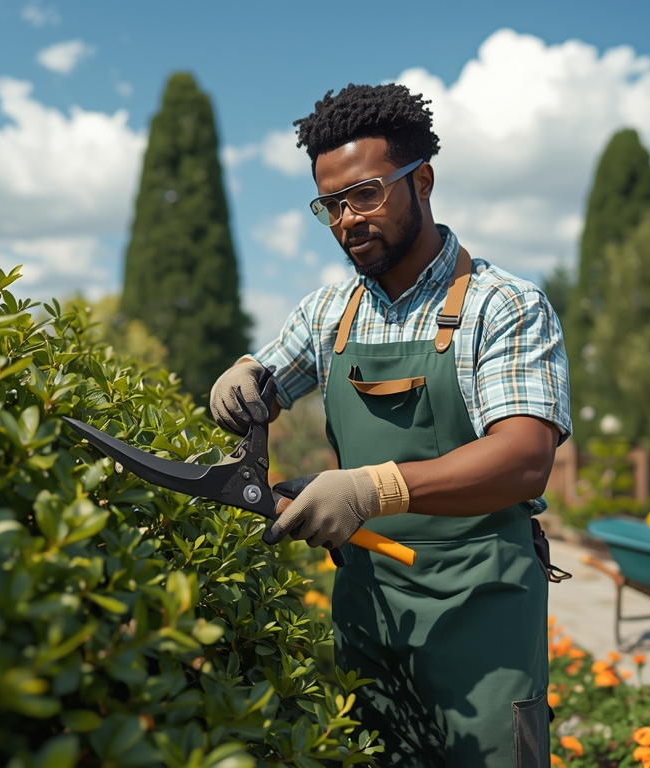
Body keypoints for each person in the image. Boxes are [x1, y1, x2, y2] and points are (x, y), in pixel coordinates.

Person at [209, 84, 572, 768]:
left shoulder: (506, 306)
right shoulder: (329, 312)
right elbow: (269, 375)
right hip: (369, 619)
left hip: (482, 621)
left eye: (366, 194)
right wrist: (244, 376)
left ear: (423, 180)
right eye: (332, 205)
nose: (348, 218)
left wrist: (372, 488)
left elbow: (524, 459)